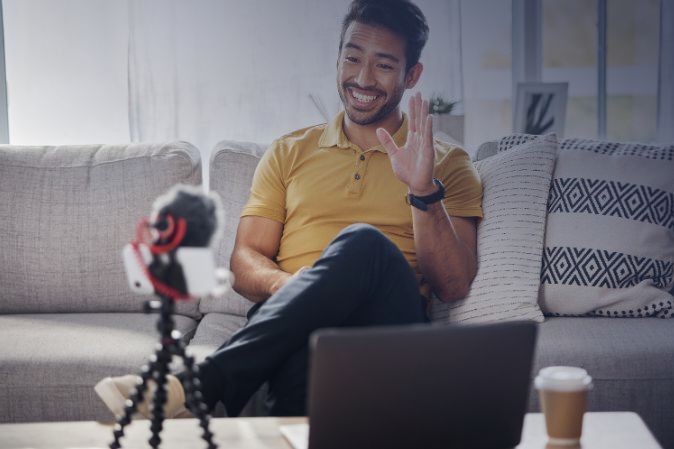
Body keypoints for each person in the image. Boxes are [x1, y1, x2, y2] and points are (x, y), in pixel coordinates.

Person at [95, 0, 483, 419]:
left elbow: (453, 284)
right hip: (293, 326)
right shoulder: (288, 152)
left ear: (412, 75)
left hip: (387, 326)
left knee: (364, 243)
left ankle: (199, 386)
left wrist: (424, 191)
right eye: (352, 58)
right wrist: (298, 288)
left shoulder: (444, 161)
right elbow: (244, 263)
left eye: (384, 66)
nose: (363, 78)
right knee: (295, 404)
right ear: (338, 59)